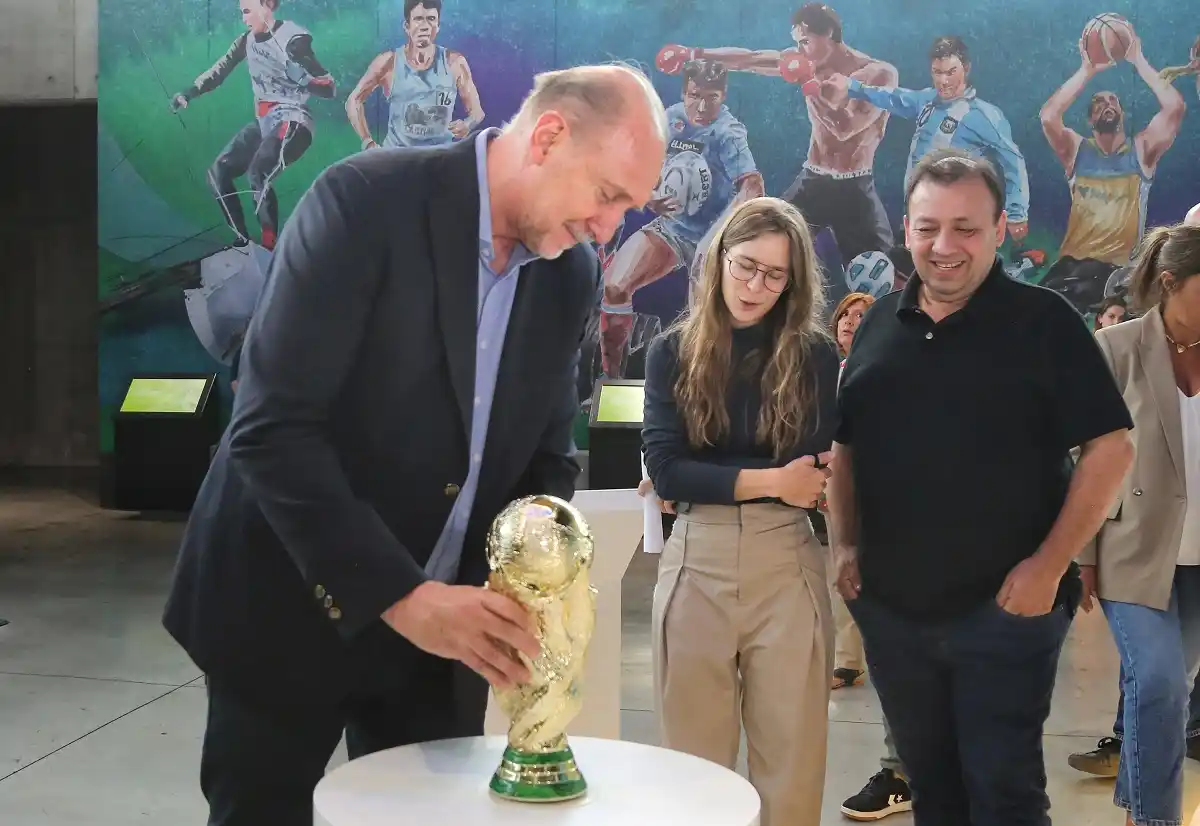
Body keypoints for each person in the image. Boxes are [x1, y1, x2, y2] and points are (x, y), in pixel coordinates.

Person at [162, 64, 668, 826]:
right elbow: (274, 428)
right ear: (550, 136)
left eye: (627, 209)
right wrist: (401, 595)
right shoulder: (366, 201)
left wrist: (525, 579)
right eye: (606, 197)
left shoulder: (570, 275)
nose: (608, 229)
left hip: (444, 640)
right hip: (288, 603)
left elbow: (545, 456)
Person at [827, 148, 1134, 826]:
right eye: (928, 226)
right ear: (904, 228)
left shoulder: (1045, 323)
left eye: (966, 227)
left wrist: (1049, 567)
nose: (944, 246)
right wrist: (844, 544)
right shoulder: (877, 324)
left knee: (1005, 796)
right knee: (934, 794)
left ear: (1000, 229)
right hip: (895, 615)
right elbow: (845, 445)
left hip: (1004, 616)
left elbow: (1112, 450)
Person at [642, 196, 840, 826]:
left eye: (774, 274)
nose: (756, 286)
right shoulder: (672, 351)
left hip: (786, 560)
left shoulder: (812, 355)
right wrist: (771, 479)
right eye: (745, 265)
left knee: (792, 763)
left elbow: (809, 478)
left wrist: (729, 479)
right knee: (693, 770)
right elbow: (667, 470)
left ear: (793, 281)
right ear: (718, 257)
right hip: (695, 559)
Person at [1077, 222, 1200, 826]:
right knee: (1160, 686)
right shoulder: (1117, 348)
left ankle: (1136, 808)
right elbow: (1085, 458)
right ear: (1171, 283)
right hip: (1132, 548)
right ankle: (1157, 820)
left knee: (1160, 696)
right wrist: (1081, 555)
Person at [661, 2, 897, 268]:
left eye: (805, 41)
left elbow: (845, 128)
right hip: (813, 180)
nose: (799, 51)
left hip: (855, 187)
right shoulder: (807, 61)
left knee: (876, 273)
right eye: (796, 43)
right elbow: (750, 59)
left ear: (828, 33)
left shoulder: (878, 74)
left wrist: (809, 83)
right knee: (766, 251)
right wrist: (693, 53)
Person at [600, 58, 764, 378]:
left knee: (703, 321)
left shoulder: (727, 133)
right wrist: (649, 197)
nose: (701, 106)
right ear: (684, 91)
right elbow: (635, 166)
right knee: (615, 285)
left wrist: (714, 239)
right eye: (694, 95)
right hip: (673, 229)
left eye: (711, 98)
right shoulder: (669, 119)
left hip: (718, 239)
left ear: (724, 95)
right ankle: (611, 381)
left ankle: (705, 393)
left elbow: (754, 188)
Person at [825, 35, 1030, 246]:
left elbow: (1013, 161)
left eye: (951, 72)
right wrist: (853, 87)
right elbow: (894, 97)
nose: (943, 80)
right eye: (937, 72)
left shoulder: (984, 115)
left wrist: (1017, 213)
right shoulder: (927, 101)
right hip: (920, 212)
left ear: (966, 68)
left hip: (956, 218)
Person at [169, 0, 336, 251]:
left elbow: (329, 88)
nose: (244, 18)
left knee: (258, 173)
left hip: (294, 120)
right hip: (265, 122)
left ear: (267, 5)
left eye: (247, 11)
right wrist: (189, 92)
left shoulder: (293, 40)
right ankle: (243, 242)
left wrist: (302, 78)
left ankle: (269, 247)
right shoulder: (245, 41)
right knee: (218, 173)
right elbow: (219, 71)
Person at [1039, 30, 1185, 314]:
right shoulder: (1076, 150)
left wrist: (1137, 59)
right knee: (1034, 320)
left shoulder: (1141, 151)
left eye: (1113, 101)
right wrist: (1087, 70)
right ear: (1090, 119)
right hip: (1071, 267)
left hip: (1115, 272)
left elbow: (1174, 108)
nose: (1107, 105)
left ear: (1122, 114)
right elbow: (1048, 115)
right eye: (1099, 103)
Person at [345, 0, 484, 150]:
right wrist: (368, 143)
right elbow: (353, 101)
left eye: (431, 19)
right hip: (397, 160)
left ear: (438, 26)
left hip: (439, 159)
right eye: (418, 19)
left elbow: (477, 112)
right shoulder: (388, 62)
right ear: (407, 26)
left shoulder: (455, 63)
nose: (424, 26)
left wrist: (467, 125)